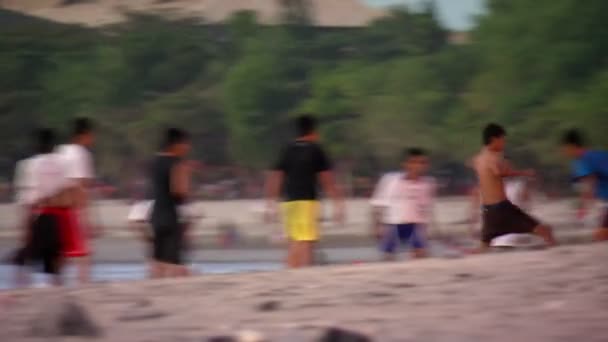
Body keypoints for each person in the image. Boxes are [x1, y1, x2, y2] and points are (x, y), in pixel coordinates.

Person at [265, 114, 344, 268]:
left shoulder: (287, 149)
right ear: (313, 131)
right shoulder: (316, 150)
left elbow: (276, 177)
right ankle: (304, 271)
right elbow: (327, 180)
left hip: (289, 202)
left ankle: (290, 270)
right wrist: (338, 204)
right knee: (307, 239)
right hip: (308, 201)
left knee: (295, 239)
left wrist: (271, 202)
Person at [472, 123, 556, 252]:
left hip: (488, 210)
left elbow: (489, 176)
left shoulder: (478, 159)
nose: (504, 144)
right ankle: (555, 252)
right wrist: (524, 172)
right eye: (502, 140)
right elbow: (499, 172)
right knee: (544, 230)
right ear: (494, 139)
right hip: (501, 208)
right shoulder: (492, 157)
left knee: (484, 245)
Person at [16, 129, 70, 286]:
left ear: (37, 144)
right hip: (59, 217)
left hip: (39, 215)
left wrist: (24, 227)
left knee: (23, 261)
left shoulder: (29, 165)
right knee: (54, 265)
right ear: (53, 145)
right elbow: (66, 191)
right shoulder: (62, 163)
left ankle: (23, 294)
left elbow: (28, 199)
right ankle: (58, 295)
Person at [370, 148, 436, 261]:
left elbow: (426, 210)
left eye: (422, 163)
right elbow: (377, 205)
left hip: (415, 225)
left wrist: (427, 231)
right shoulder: (390, 180)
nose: (417, 166)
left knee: (421, 255)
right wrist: (376, 226)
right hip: (392, 224)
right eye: (413, 162)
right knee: (388, 256)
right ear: (405, 164)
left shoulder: (427, 183)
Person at [56, 117, 98, 284]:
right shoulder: (82, 154)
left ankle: (57, 285)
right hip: (74, 208)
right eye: (92, 135)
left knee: (61, 252)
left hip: (57, 207)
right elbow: (81, 186)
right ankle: (84, 283)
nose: (93, 139)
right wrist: (87, 218)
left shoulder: (60, 151)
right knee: (83, 253)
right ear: (85, 135)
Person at [149, 128, 192, 278]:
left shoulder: (155, 162)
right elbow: (178, 192)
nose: (188, 147)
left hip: (155, 215)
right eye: (185, 144)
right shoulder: (177, 163)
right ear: (176, 144)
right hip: (170, 215)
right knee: (175, 260)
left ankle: (154, 287)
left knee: (157, 259)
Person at [561, 129, 608, 241]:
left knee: (601, 235)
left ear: (572, 146)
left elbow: (589, 184)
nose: (564, 152)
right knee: (602, 234)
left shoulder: (582, 160)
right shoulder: (598, 155)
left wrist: (583, 208)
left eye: (565, 148)